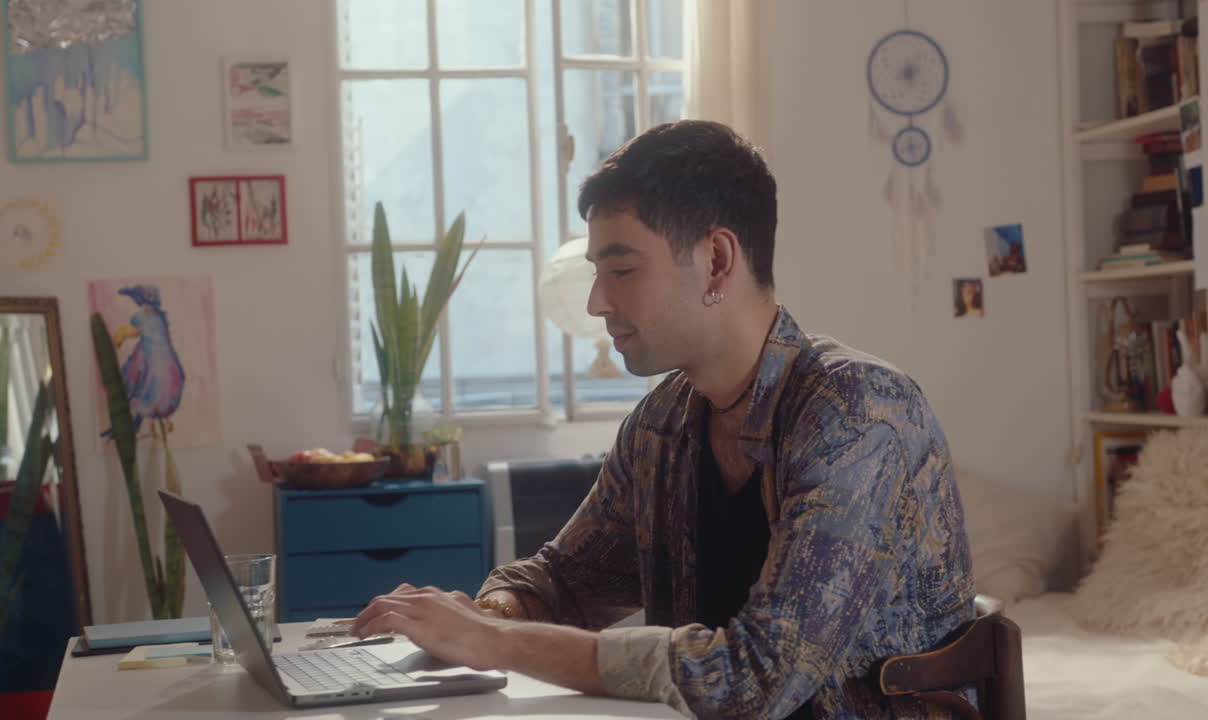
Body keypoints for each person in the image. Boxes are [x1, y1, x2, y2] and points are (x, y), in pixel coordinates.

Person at [348, 120, 974, 718]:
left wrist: (492, 642)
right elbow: (565, 580)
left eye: (621, 269)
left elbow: (758, 676)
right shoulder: (662, 422)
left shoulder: (858, 411)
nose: (598, 302)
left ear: (717, 261)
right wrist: (489, 614)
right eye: (598, 272)